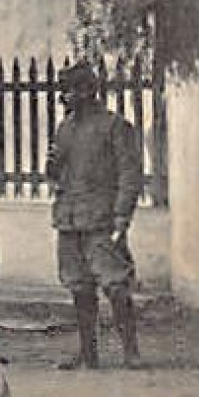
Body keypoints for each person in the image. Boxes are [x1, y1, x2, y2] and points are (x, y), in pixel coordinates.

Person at [47, 61, 144, 370]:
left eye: (70, 90)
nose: (64, 97)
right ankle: (89, 353)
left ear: (87, 90)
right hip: (69, 219)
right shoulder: (65, 128)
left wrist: (121, 218)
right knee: (78, 287)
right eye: (63, 91)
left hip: (102, 220)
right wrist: (51, 166)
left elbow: (130, 175)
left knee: (115, 285)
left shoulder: (115, 126)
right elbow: (55, 174)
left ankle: (131, 351)